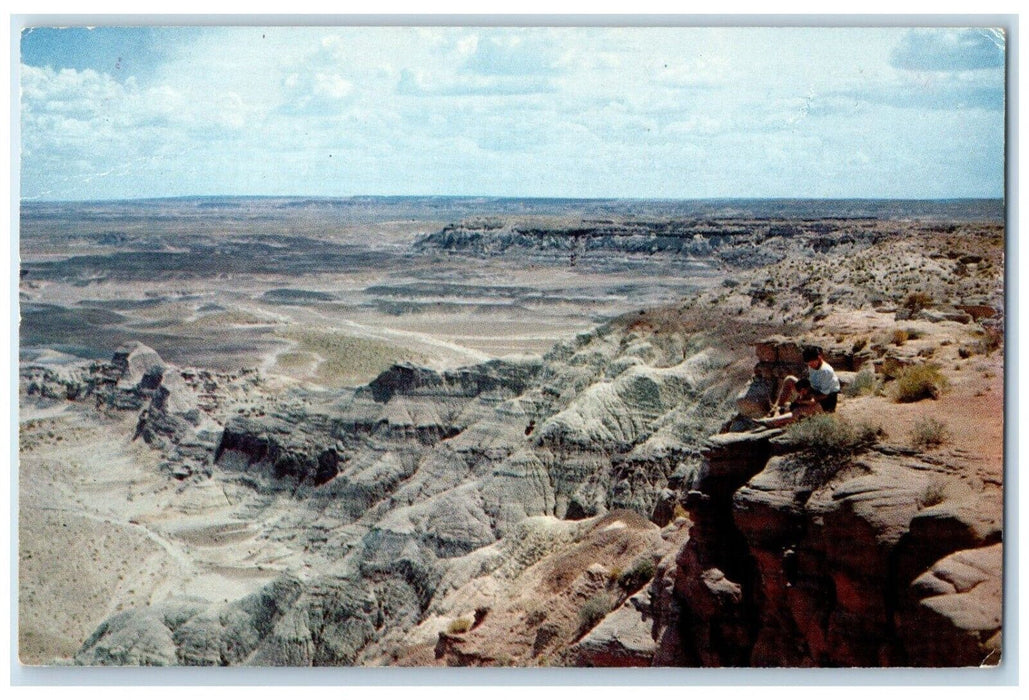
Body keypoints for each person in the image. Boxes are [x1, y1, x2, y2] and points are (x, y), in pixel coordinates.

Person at [769, 346, 841, 417]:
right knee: (789, 379)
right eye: (808, 364)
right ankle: (776, 408)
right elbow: (812, 382)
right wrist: (804, 391)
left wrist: (805, 400)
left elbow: (825, 395)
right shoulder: (812, 366)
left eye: (812, 363)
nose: (810, 366)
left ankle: (782, 414)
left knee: (798, 410)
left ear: (819, 358)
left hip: (827, 400)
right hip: (814, 391)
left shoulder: (826, 371)